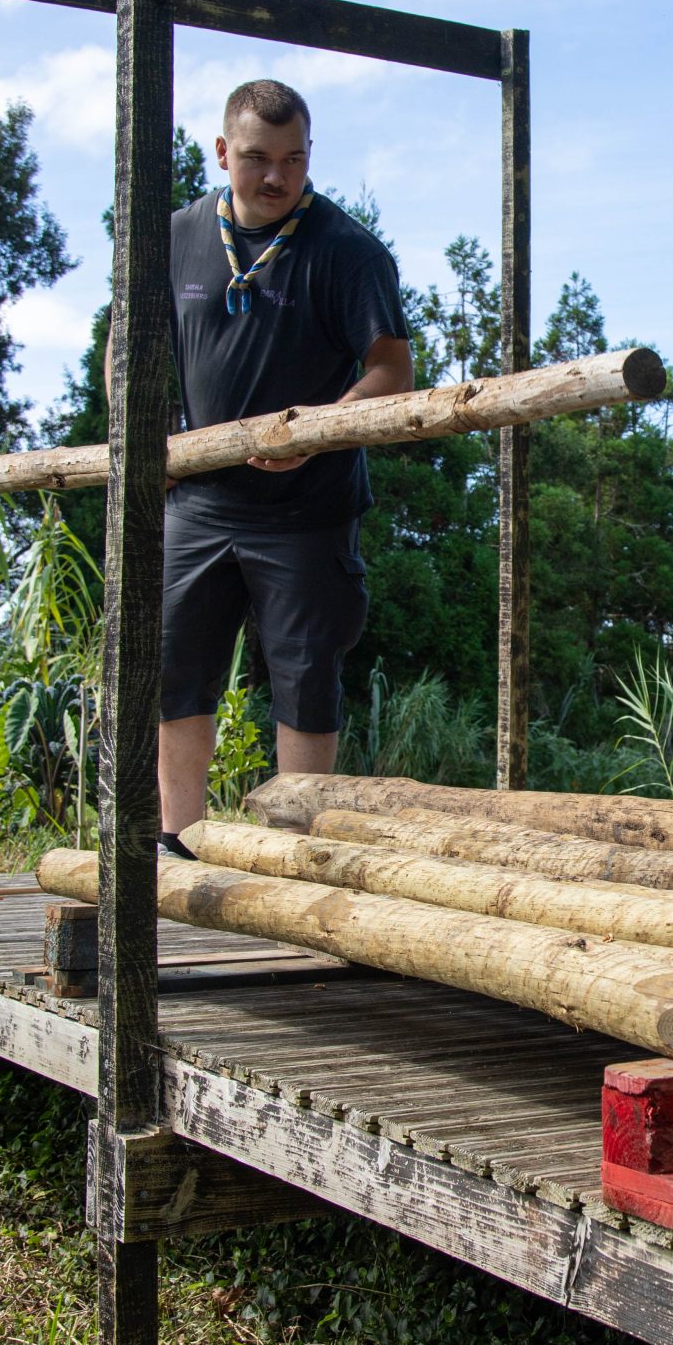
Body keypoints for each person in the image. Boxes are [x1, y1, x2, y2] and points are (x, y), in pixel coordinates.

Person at [133, 79, 413, 854]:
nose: (276, 177)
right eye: (257, 158)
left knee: (303, 680)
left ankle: (295, 855)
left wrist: (314, 433)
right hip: (196, 502)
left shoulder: (349, 251)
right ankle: (177, 846)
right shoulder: (176, 235)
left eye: (293, 159)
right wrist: (148, 437)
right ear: (222, 152)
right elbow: (131, 347)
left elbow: (392, 371)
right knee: (176, 675)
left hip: (308, 512)